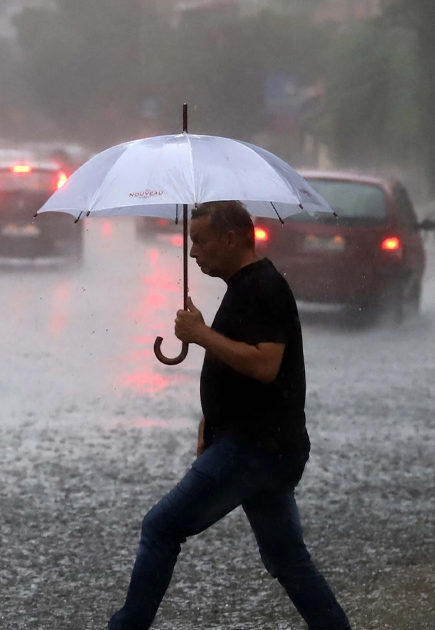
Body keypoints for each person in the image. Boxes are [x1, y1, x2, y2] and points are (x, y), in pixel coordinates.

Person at [108, 201, 351, 630]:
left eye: (199, 241)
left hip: (254, 448)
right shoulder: (244, 287)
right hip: (265, 444)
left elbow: (264, 365)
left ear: (231, 238)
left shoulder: (262, 288)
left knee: (161, 528)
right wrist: (212, 419)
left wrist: (201, 335)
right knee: (288, 559)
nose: (193, 253)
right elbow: (245, 368)